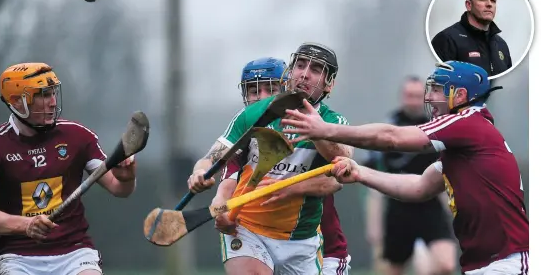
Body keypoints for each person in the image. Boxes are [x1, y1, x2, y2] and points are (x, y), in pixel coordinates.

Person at [281, 61, 529, 274]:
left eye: (438, 90)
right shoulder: (461, 147)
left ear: (461, 95)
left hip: (507, 260)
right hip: (484, 263)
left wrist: (326, 130)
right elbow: (419, 186)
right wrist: (361, 173)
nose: (429, 97)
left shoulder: (468, 123)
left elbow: (392, 138)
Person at [188, 43, 353, 275]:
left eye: (316, 69)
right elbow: (213, 158)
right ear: (289, 72)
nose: (305, 73)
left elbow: (342, 170)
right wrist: (199, 173)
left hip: (300, 241)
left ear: (329, 83)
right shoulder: (253, 114)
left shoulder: (334, 122)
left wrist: (317, 133)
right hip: (248, 230)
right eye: (300, 65)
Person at [0, 63, 137, 275]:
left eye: (53, 93)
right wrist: (25, 225)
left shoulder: (77, 136)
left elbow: (119, 189)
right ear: (17, 101)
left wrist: (127, 178)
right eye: (43, 95)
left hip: (74, 253)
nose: (53, 102)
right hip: (19, 258)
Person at [364, 76, 456, 275]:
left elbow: (448, 170)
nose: (413, 101)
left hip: (430, 207)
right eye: (408, 96)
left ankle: (422, 254)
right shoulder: (388, 129)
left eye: (417, 96)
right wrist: (374, 225)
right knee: (390, 269)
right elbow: (374, 181)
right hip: (398, 207)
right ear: (401, 97)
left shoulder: (437, 127)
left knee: (446, 264)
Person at [431, 0, 512, 77]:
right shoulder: (447, 39)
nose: (489, 4)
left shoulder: (501, 45)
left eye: (493, 0)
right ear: (469, 5)